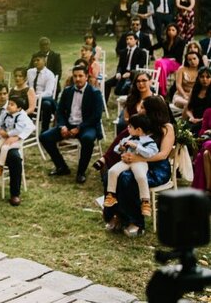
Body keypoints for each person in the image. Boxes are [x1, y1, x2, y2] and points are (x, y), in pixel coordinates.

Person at [103, 95, 175, 237]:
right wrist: (124, 153)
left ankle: (136, 222)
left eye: (142, 107)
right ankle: (117, 214)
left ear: (152, 110)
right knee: (110, 175)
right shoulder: (139, 124)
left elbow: (163, 155)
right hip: (135, 163)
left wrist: (137, 158)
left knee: (127, 179)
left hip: (157, 168)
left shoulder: (167, 128)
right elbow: (122, 141)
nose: (139, 109)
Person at [40, 65, 104, 184]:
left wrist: (79, 128)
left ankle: (81, 172)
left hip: (87, 125)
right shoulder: (67, 91)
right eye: (75, 76)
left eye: (80, 76)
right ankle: (62, 167)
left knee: (87, 139)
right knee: (44, 137)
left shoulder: (95, 93)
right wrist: (62, 126)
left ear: (86, 77)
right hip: (69, 124)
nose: (78, 79)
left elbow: (96, 116)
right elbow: (59, 111)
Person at [103, 114, 159, 217]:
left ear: (138, 129)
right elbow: (116, 149)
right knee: (112, 171)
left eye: (130, 127)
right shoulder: (128, 138)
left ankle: (145, 201)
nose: (127, 128)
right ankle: (111, 195)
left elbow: (150, 154)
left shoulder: (149, 141)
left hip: (140, 162)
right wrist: (121, 148)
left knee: (141, 176)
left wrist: (136, 146)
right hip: (126, 161)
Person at [0, 95, 34, 178]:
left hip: (16, 138)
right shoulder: (5, 113)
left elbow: (18, 130)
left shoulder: (22, 117)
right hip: (6, 135)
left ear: (19, 108)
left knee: (4, 148)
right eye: (9, 103)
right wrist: (0, 130)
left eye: (12, 105)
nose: (8, 106)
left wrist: (9, 134)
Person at [103, 32, 148, 102]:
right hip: (122, 74)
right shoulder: (123, 52)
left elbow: (140, 67)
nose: (128, 41)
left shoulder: (141, 52)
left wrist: (130, 73)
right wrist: (118, 72)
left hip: (134, 75)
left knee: (126, 88)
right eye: (127, 39)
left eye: (131, 39)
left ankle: (129, 102)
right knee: (107, 84)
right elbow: (120, 65)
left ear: (136, 40)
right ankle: (104, 104)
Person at [152, 23, 185, 96]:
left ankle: (161, 89)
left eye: (173, 30)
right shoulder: (165, 41)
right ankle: (160, 88)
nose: (171, 31)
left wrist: (166, 58)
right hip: (165, 63)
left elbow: (178, 55)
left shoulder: (181, 42)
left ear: (177, 31)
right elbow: (154, 47)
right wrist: (146, 49)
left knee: (160, 62)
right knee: (159, 62)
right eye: (169, 30)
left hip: (176, 63)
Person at [27, 52, 57, 133]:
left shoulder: (49, 74)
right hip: (29, 97)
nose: (35, 62)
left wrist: (35, 96)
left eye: (38, 60)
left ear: (44, 61)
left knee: (47, 104)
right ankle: (26, 126)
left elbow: (48, 92)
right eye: (34, 61)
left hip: (42, 97)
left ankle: (45, 129)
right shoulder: (30, 72)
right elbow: (27, 85)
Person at [183, 66, 211, 135]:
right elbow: (188, 108)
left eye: (208, 77)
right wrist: (191, 117)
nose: (204, 79)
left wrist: (201, 119)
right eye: (202, 77)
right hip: (193, 119)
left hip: (206, 121)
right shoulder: (194, 90)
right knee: (183, 129)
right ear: (198, 78)